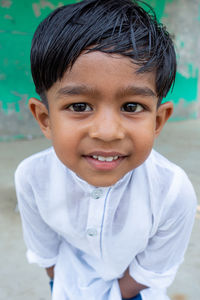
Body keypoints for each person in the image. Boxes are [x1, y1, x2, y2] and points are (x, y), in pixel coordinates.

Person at [15, 0, 197, 299]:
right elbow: (45, 252)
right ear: (45, 119)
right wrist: (61, 286)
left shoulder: (173, 192)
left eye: (132, 106)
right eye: (79, 106)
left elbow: (151, 269)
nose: (108, 132)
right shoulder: (33, 177)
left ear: (158, 120)